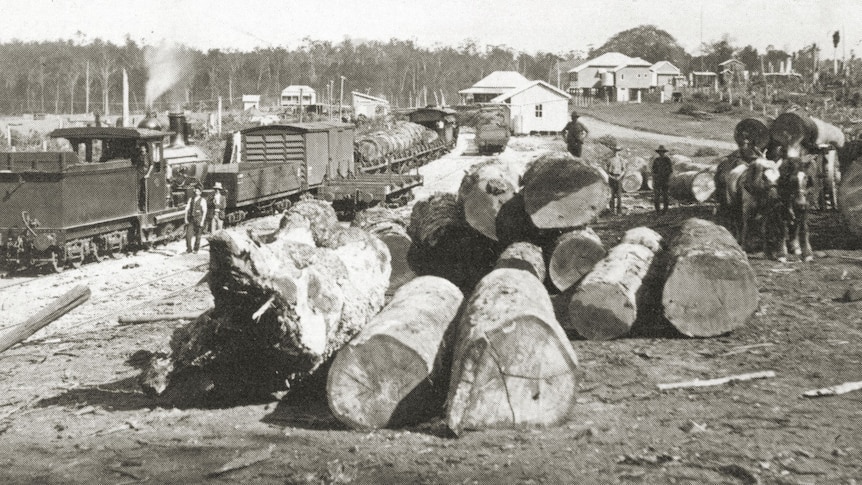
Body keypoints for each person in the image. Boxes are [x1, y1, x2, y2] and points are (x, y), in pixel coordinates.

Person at [185, 185, 207, 253]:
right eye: (195, 190)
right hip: (191, 219)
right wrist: (185, 218)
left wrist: (202, 221)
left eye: (198, 190)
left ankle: (196, 249)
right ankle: (189, 249)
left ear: (200, 192)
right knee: (188, 235)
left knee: (198, 236)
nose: (196, 191)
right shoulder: (191, 199)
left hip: (199, 219)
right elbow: (187, 209)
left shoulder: (202, 200)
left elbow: (204, 211)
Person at [652, 145, 673, 213]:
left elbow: (670, 170)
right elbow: (653, 170)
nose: (661, 153)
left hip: (665, 180)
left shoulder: (667, 160)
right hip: (657, 180)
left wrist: (666, 177)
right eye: (660, 152)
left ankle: (665, 210)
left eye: (662, 152)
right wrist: (655, 178)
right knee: (656, 196)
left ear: (664, 152)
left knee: (665, 195)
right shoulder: (656, 160)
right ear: (658, 153)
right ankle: (657, 210)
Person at [134, 144, 153, 212]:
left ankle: (144, 207)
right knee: (139, 191)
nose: (142, 149)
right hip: (139, 174)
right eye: (141, 148)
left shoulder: (148, 156)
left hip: (145, 174)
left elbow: (151, 165)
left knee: (144, 191)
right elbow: (136, 165)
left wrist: (148, 174)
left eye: (143, 148)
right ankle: (139, 206)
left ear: (145, 149)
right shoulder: (139, 156)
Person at [606, 146, 625, 214]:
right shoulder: (610, 160)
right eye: (615, 150)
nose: (616, 152)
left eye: (617, 151)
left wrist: (620, 176)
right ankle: (612, 210)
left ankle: (619, 211)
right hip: (611, 177)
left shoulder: (621, 160)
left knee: (619, 195)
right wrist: (611, 176)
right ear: (613, 151)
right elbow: (607, 171)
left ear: (619, 151)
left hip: (619, 177)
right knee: (612, 195)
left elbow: (623, 170)